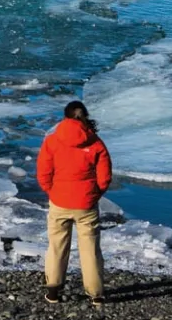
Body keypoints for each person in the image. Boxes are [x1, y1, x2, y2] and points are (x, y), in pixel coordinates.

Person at [36, 100, 112, 304]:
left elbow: (44, 172)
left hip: (59, 201)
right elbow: (104, 177)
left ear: (66, 116)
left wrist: (51, 191)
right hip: (86, 203)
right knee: (90, 250)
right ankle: (96, 294)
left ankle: (53, 292)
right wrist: (94, 194)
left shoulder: (52, 141)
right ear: (85, 116)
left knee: (57, 246)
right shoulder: (95, 142)